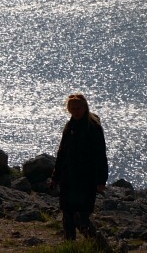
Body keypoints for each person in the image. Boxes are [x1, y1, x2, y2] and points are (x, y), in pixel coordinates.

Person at [50, 93, 108, 241]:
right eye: (72, 108)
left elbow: (101, 154)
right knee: (67, 214)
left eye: (78, 108)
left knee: (81, 214)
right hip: (68, 177)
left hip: (86, 178)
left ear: (85, 107)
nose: (75, 111)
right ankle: (70, 245)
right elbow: (62, 152)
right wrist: (55, 177)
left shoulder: (93, 127)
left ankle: (96, 244)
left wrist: (101, 180)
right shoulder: (69, 126)